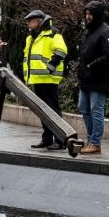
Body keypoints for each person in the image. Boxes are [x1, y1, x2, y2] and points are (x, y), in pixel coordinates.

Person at [22, 10, 67, 150]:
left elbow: (62, 51)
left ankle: (61, 140)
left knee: (53, 110)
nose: (28, 23)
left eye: (30, 20)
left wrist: (51, 66)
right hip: (37, 78)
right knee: (43, 110)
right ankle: (47, 139)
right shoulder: (31, 37)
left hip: (48, 78)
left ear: (39, 21)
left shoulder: (53, 33)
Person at [77, 1, 109, 155]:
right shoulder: (88, 31)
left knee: (96, 110)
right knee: (84, 108)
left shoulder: (106, 32)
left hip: (99, 79)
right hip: (85, 79)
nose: (88, 17)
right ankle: (90, 139)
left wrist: (91, 67)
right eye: (86, 14)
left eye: (91, 14)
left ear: (98, 15)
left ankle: (95, 142)